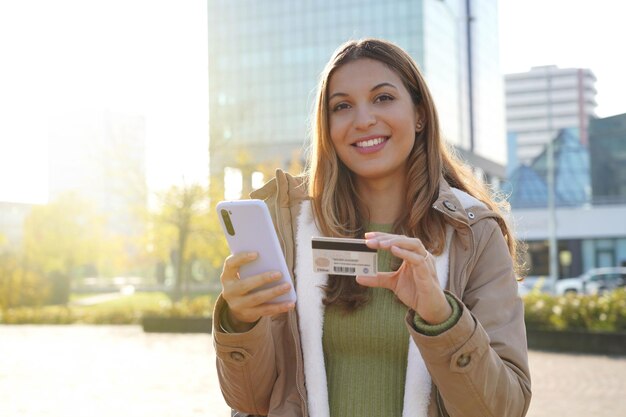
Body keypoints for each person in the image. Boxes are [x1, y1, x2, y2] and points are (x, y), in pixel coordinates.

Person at [213, 38, 531, 417]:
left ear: (419, 114)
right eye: (342, 106)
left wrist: (440, 315)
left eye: (383, 98)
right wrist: (240, 322)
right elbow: (251, 400)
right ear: (327, 126)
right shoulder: (287, 226)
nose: (363, 119)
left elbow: (503, 408)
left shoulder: (473, 232)